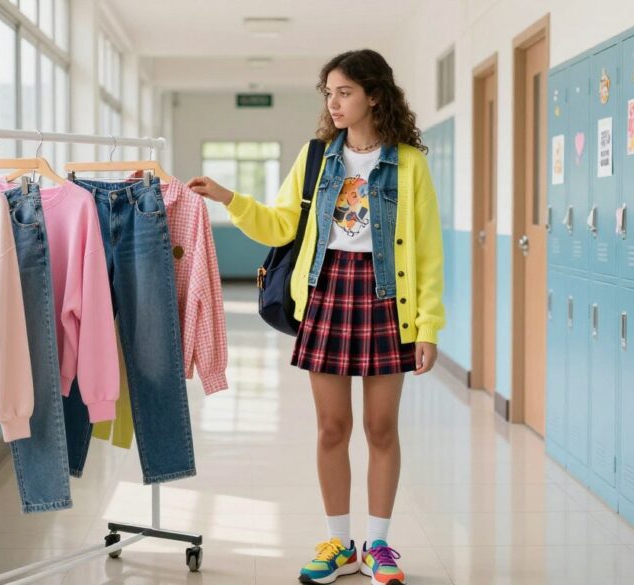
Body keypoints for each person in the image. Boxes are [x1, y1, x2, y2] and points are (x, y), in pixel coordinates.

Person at [187, 49, 446, 585]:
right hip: (325, 295)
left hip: (384, 300)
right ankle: (338, 543)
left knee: (380, 428)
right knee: (332, 428)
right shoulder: (316, 158)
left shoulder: (410, 163)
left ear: (374, 94)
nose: (334, 102)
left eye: (344, 91)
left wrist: (428, 327)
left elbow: (427, 253)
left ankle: (377, 546)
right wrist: (228, 198)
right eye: (328, 92)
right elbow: (282, 225)